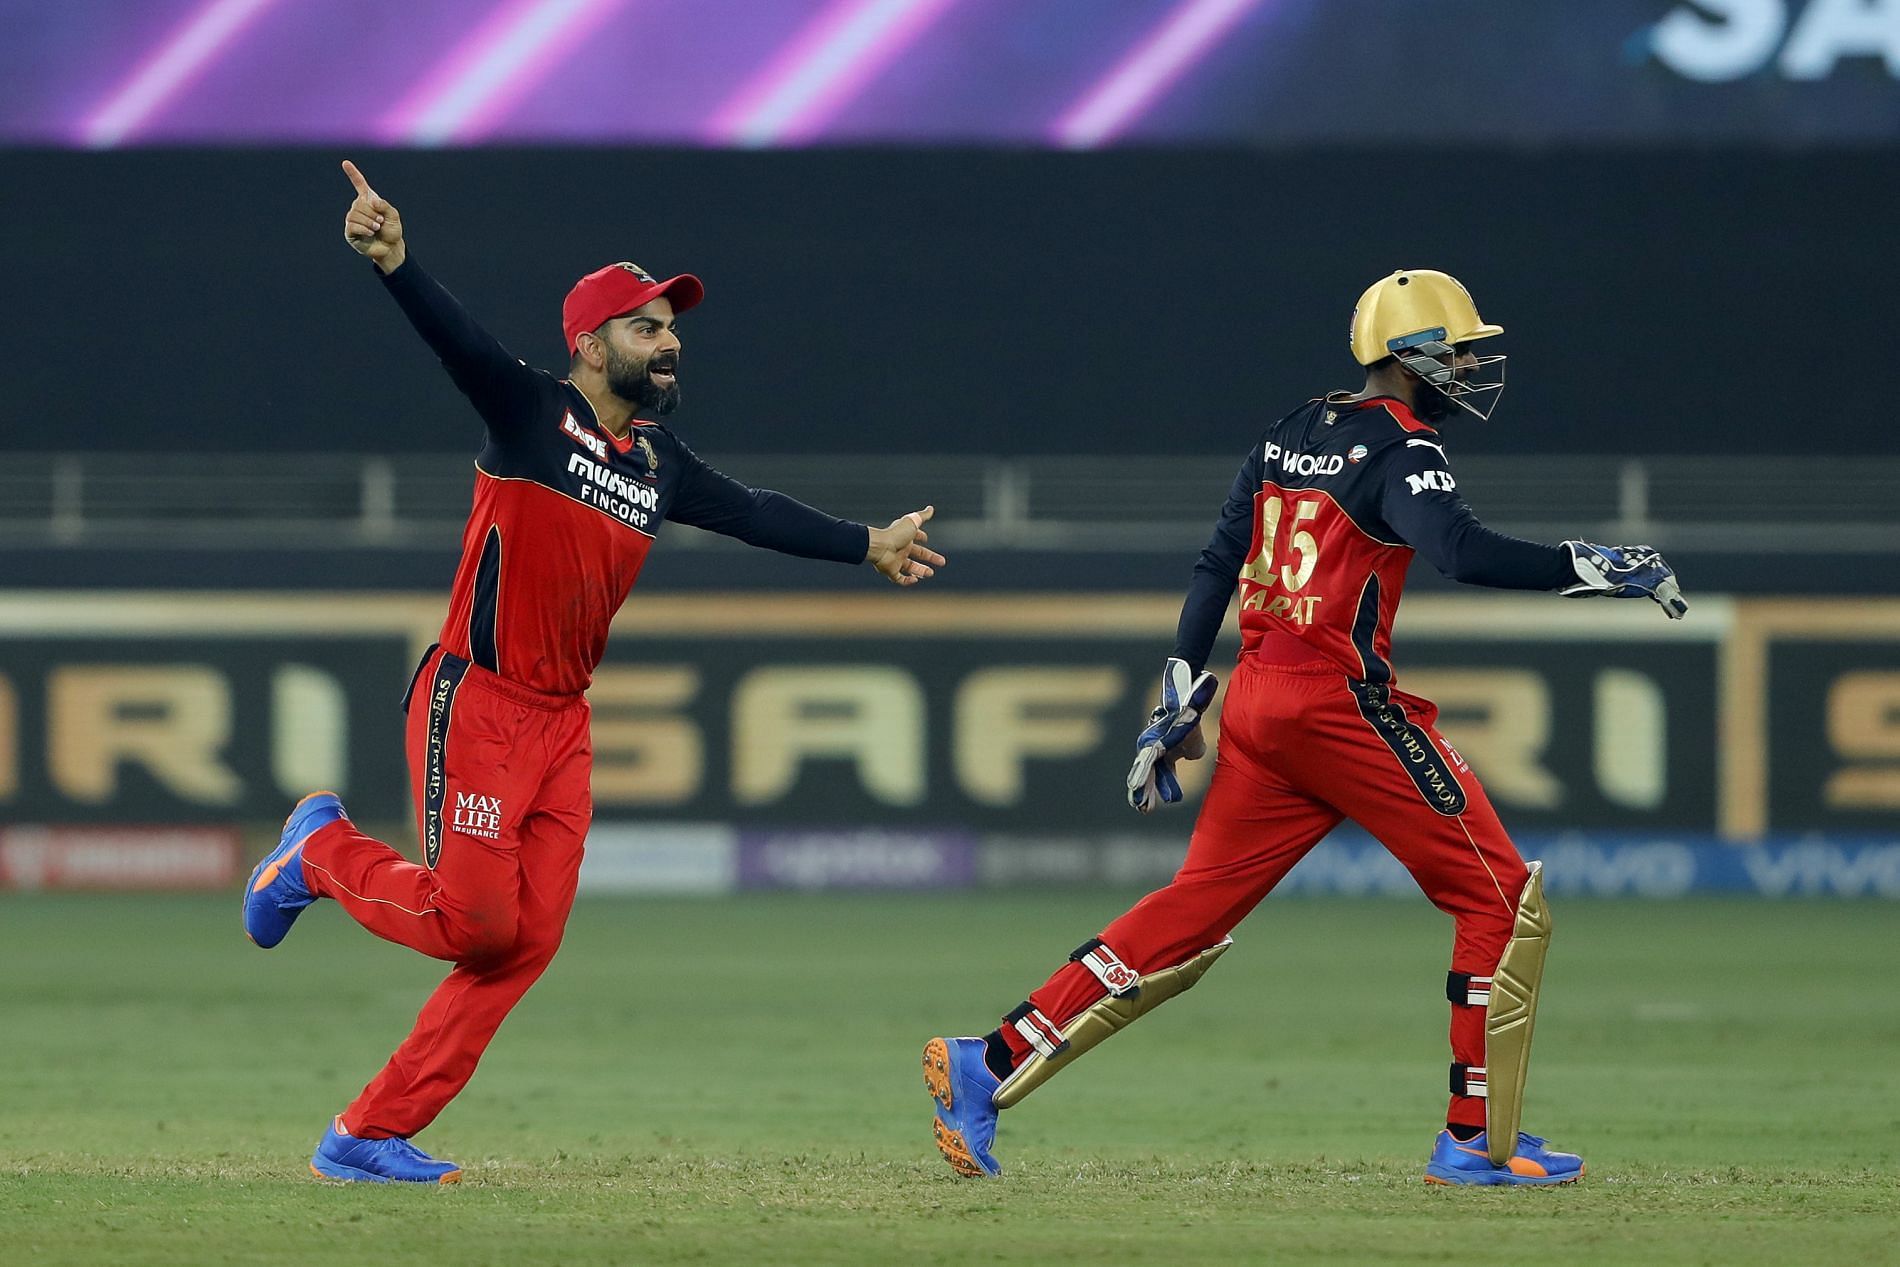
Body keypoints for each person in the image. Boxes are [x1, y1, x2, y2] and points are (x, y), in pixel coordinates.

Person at [244, 160, 946, 1184]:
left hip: (560, 726)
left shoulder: (659, 463)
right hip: (475, 698)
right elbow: (461, 346)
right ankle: (319, 854)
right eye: (645, 326)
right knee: (471, 921)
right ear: (589, 344)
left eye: (671, 325)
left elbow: (754, 511)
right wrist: (397, 264)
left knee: (521, 944)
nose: (668, 341)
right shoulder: (531, 415)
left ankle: (365, 1133)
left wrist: (867, 542)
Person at [924, 269, 1686, 1187]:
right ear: (1412, 357)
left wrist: (1175, 691)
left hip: (1256, 701)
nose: (1475, 366)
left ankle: (991, 1060)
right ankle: (1478, 1141)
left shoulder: (1293, 429)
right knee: (1499, 899)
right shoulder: (1405, 449)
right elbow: (1459, 551)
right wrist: (1593, 565)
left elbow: (1219, 559)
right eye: (1461, 348)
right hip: (1338, 705)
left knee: (1192, 910)